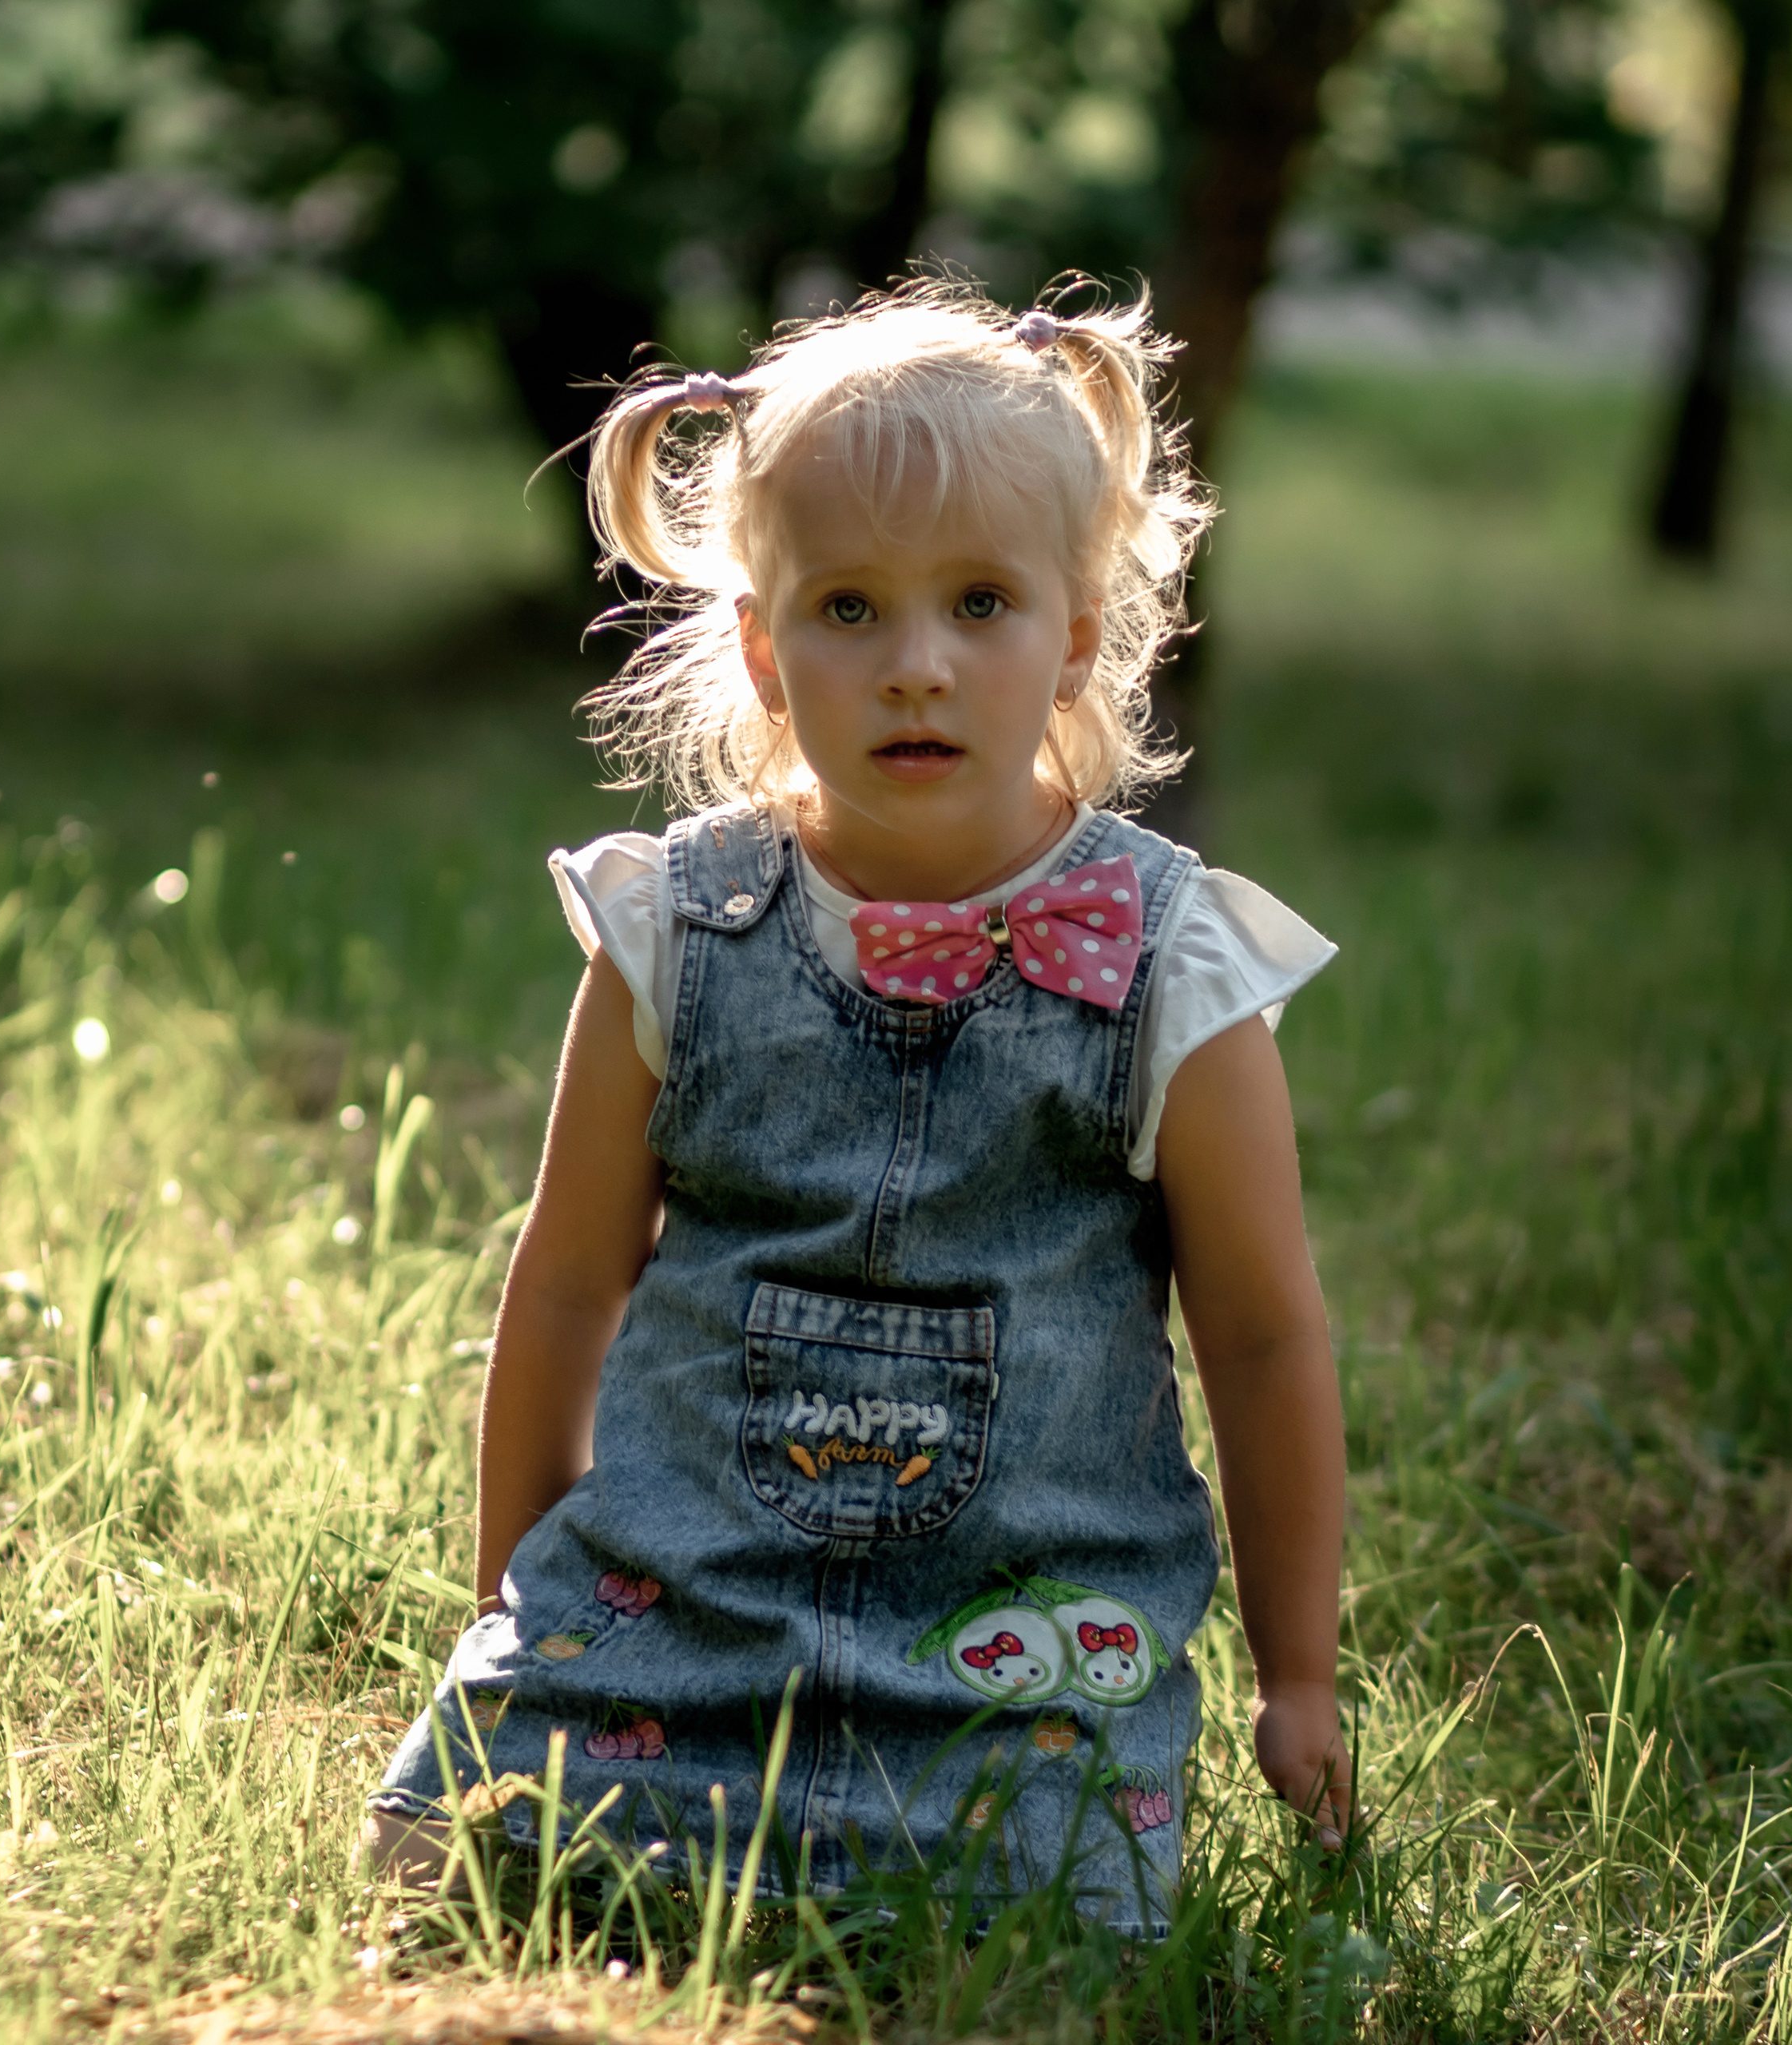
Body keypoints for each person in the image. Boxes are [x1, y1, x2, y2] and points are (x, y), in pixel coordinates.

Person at [365, 280, 1348, 1935]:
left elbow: (1260, 1333)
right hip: (688, 1591)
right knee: (441, 1850)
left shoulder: (1168, 963)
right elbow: (568, 1280)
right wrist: (520, 1605)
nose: (914, 667)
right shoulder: (675, 932)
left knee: (1030, 1921)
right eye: (846, 610)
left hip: (1019, 1630)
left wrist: (1294, 1670)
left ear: (1075, 635)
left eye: (978, 604)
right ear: (760, 643)